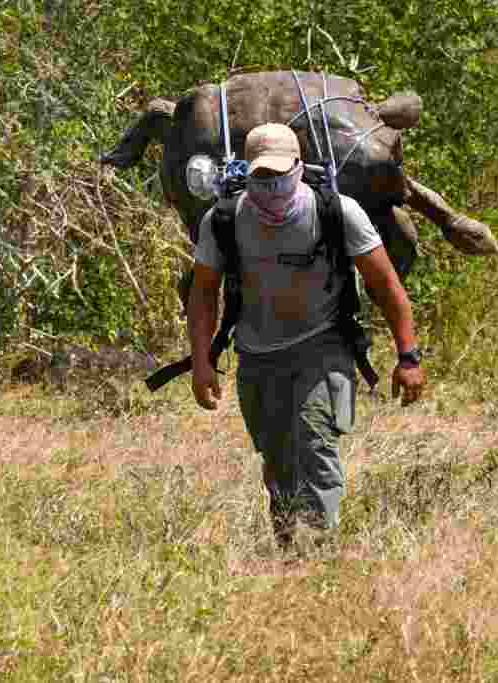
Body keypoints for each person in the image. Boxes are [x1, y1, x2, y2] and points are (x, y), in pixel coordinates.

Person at [187, 122, 426, 547]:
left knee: (315, 447)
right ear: (246, 171)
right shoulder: (223, 220)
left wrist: (408, 357)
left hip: (323, 347)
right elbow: (203, 293)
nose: (272, 186)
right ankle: (287, 550)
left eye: (280, 175)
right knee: (278, 462)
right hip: (257, 356)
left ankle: (316, 556)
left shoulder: (337, 212)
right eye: (262, 176)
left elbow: (386, 285)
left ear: (299, 167)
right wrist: (202, 364)